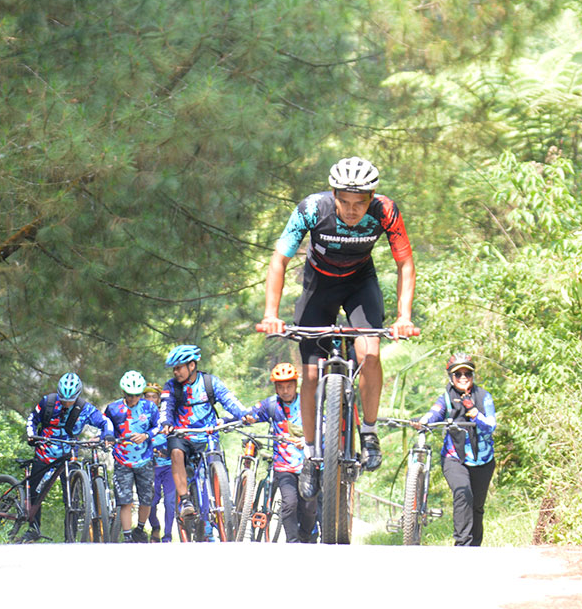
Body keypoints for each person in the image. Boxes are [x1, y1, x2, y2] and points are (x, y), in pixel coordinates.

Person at [257, 156, 418, 498]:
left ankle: (370, 432)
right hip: (319, 286)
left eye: (359, 203)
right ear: (333, 194)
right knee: (311, 374)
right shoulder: (312, 208)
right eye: (343, 202)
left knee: (369, 352)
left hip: (361, 283)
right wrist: (271, 313)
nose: (351, 210)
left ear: (372, 197)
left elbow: (404, 262)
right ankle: (311, 452)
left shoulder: (386, 211)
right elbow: (279, 259)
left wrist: (404, 317)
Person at [159, 344, 251, 520]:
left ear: (191, 366)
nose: (175, 372)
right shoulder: (171, 386)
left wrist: (245, 414)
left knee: (216, 463)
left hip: (207, 435)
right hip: (182, 434)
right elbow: (166, 407)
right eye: (174, 369)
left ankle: (223, 498)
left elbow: (229, 400)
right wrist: (166, 423)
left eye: (179, 368)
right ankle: (185, 500)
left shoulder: (210, 382)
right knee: (176, 453)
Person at [24, 372, 114, 543]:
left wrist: (107, 435)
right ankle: (33, 529)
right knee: (35, 492)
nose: (66, 403)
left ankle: (70, 537)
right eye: (63, 399)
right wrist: (31, 435)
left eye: (70, 400)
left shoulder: (84, 409)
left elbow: (105, 422)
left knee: (73, 498)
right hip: (45, 453)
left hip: (69, 456)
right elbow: (32, 419)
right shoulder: (48, 402)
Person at [419, 353, 497, 547]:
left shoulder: (484, 397)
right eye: (458, 374)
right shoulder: (446, 397)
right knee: (463, 494)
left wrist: (474, 413)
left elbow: (491, 425)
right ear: (451, 377)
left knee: (477, 506)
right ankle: (462, 545)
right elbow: (435, 412)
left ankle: (474, 547)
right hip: (454, 457)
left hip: (483, 460)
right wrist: (424, 421)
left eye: (467, 373)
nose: (463, 378)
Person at [248, 363, 317, 543]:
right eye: (280, 386)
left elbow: (323, 427)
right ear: (276, 387)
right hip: (283, 466)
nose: (285, 391)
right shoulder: (271, 405)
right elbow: (250, 415)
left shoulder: (308, 404)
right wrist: (232, 419)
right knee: (289, 503)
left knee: (309, 507)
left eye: (289, 386)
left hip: (308, 464)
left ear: (296, 385)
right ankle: (292, 542)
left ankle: (305, 535)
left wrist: (307, 441)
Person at [102, 370, 161, 543]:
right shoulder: (113, 409)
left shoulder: (149, 407)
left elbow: (158, 427)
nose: (132, 399)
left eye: (136, 395)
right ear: (123, 393)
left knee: (146, 498)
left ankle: (140, 529)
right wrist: (106, 439)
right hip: (123, 460)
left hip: (145, 459)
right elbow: (106, 428)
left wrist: (146, 435)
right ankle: (127, 536)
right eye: (129, 395)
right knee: (125, 500)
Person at [142, 382, 172, 542]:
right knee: (150, 501)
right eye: (147, 397)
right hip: (150, 465)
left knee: (170, 501)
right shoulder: (141, 416)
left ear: (159, 399)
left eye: (154, 397)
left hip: (168, 465)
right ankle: (155, 527)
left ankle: (168, 536)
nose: (151, 400)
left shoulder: (166, 416)